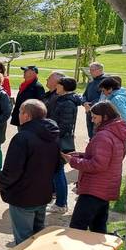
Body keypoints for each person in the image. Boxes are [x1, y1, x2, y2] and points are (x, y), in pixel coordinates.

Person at [0, 100, 61, 250]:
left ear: (26, 115)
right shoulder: (53, 135)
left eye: (20, 112)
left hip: (23, 196)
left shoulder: (23, 137)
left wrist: (3, 184)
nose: (17, 115)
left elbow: (11, 170)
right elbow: (57, 165)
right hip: (42, 194)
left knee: (23, 241)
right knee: (37, 236)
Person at [64, 102, 126, 234]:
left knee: (77, 228)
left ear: (105, 117)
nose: (92, 120)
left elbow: (98, 164)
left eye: (94, 117)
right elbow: (111, 157)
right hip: (105, 188)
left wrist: (73, 161)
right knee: (98, 228)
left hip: (93, 189)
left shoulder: (103, 136)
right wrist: (81, 155)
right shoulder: (117, 132)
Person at [47, 77, 80, 214]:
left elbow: (64, 126)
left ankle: (61, 204)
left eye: (59, 85)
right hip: (56, 140)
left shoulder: (67, 103)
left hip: (58, 141)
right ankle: (57, 198)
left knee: (58, 171)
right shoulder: (62, 99)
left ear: (64, 87)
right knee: (55, 171)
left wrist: (51, 136)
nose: (56, 86)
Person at [83, 62, 107, 138]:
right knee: (90, 133)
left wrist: (90, 104)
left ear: (100, 70)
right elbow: (84, 95)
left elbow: (104, 96)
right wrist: (84, 103)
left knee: (97, 133)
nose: (90, 72)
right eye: (90, 70)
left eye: (92, 70)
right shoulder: (91, 82)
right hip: (89, 111)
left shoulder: (105, 81)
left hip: (98, 112)